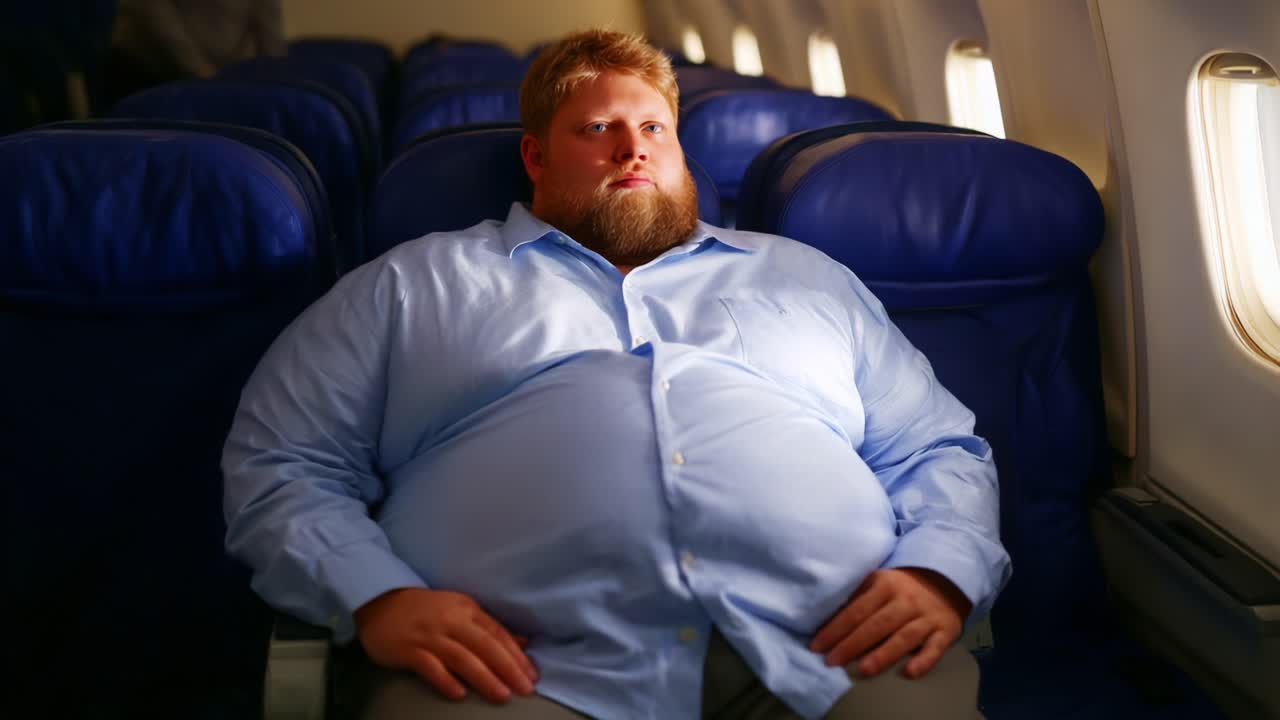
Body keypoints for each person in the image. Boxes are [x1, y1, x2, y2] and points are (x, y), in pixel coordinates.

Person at [223, 29, 1010, 720]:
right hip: (521, 668)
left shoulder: (808, 278)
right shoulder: (410, 286)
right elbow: (283, 463)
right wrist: (375, 596)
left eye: (654, 128)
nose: (633, 149)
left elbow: (938, 450)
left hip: (830, 651)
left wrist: (938, 571)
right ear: (535, 154)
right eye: (598, 129)